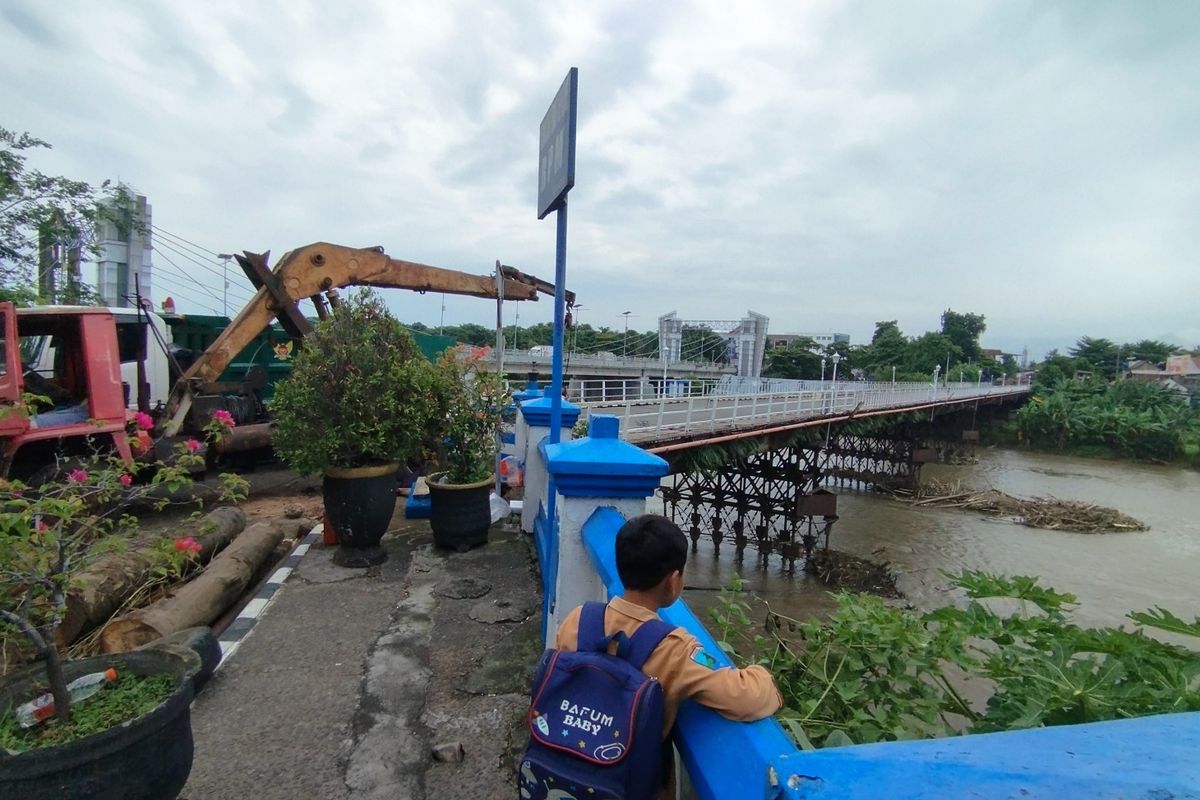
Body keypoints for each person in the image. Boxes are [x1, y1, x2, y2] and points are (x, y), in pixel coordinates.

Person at [553, 514, 782, 794]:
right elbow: (748, 698)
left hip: (567, 772)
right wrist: (761, 674)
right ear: (673, 581)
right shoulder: (675, 649)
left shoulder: (577, 620)